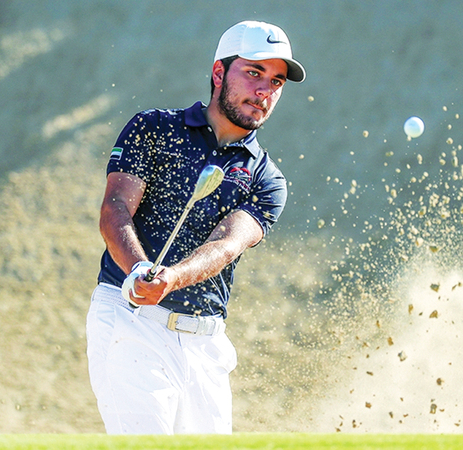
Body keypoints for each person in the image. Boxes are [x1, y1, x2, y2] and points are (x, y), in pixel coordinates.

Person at [86, 20, 305, 434]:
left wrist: (172, 278)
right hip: (131, 321)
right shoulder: (154, 128)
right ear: (219, 73)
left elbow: (226, 244)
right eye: (254, 72)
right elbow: (115, 208)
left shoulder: (267, 178)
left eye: (276, 81)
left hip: (206, 345)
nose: (264, 91)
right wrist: (139, 269)